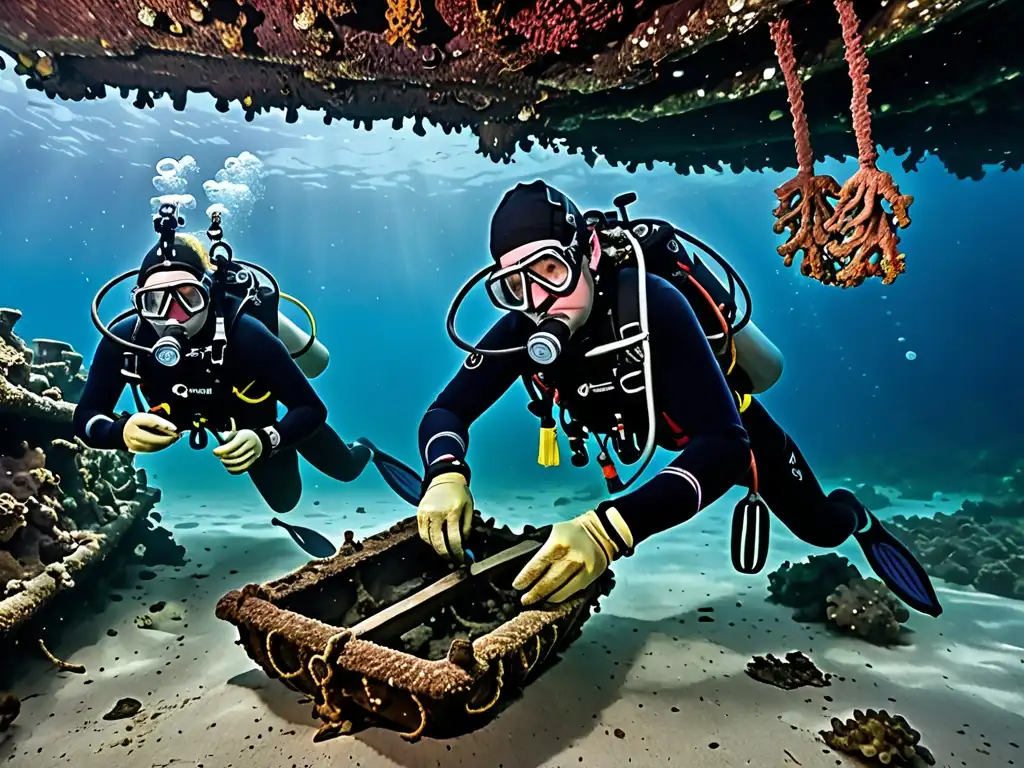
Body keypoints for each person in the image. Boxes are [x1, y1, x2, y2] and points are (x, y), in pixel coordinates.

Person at [414, 180, 942, 617]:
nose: (536, 301)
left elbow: (724, 447)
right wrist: (444, 473)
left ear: (590, 253)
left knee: (821, 529)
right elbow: (447, 410)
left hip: (728, 429)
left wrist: (608, 532)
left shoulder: (653, 305)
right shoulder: (521, 330)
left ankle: (859, 518)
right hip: (666, 438)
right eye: (514, 285)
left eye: (550, 269)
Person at [75, 204, 421, 550]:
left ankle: (366, 450)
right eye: (155, 302)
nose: (172, 319)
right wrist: (119, 432)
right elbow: (86, 418)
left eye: (187, 298)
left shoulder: (247, 335)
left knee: (340, 472)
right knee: (284, 502)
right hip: (213, 420)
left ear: (207, 293)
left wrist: (268, 438)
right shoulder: (127, 338)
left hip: (257, 422)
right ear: (139, 303)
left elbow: (311, 408)